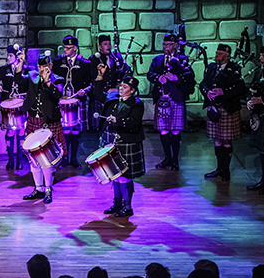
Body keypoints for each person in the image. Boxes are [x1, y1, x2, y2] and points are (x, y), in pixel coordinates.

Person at [21, 51, 65, 204]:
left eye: (45, 67)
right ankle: (38, 188)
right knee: (34, 158)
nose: (42, 70)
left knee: (47, 159)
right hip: (34, 121)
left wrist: (48, 82)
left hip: (49, 122)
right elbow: (20, 81)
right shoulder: (33, 76)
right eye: (40, 67)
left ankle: (48, 189)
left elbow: (59, 95)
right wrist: (20, 64)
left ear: (51, 66)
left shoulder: (57, 80)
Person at [147, 34, 195, 170]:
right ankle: (167, 158)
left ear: (175, 46)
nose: (166, 47)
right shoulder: (157, 60)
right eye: (164, 44)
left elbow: (190, 76)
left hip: (176, 98)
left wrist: (176, 78)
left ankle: (175, 160)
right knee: (163, 130)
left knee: (174, 131)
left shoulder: (183, 60)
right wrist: (158, 78)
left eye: (169, 45)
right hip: (162, 98)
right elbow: (149, 74)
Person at [99, 77, 145, 217]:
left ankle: (127, 206)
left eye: (125, 87)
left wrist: (117, 120)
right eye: (121, 86)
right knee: (115, 175)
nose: (121, 88)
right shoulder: (115, 101)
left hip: (128, 142)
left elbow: (134, 123)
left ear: (132, 90)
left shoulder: (137, 104)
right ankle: (117, 203)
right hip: (115, 142)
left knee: (125, 176)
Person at [200, 44, 247, 182]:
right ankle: (219, 169)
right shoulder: (211, 68)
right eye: (216, 53)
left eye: (220, 54)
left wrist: (224, 92)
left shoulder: (235, 69)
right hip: (214, 108)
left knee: (226, 140)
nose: (216, 56)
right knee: (217, 140)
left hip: (228, 108)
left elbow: (240, 89)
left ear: (227, 56)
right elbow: (203, 84)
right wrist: (207, 92)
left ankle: (226, 171)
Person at [53, 35, 93, 169]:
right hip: (62, 102)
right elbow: (53, 78)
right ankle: (64, 157)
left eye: (69, 48)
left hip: (77, 101)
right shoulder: (58, 62)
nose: (65, 50)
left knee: (75, 131)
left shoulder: (85, 63)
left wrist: (84, 91)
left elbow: (90, 83)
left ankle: (74, 159)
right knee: (64, 131)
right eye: (64, 47)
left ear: (75, 48)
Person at [0, 44, 30, 170]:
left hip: (21, 104)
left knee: (21, 131)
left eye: (10, 55)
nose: (8, 57)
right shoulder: (4, 69)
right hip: (8, 103)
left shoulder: (27, 70)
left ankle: (20, 160)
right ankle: (11, 160)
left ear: (18, 57)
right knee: (10, 131)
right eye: (8, 55)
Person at [89, 34, 133, 129]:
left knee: (114, 121)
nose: (108, 46)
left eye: (109, 44)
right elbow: (92, 78)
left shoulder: (116, 57)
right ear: (100, 46)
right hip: (100, 94)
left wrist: (121, 84)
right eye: (105, 44)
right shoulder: (94, 59)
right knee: (101, 124)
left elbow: (127, 71)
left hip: (115, 94)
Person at [247, 51, 264, 193]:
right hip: (260, 115)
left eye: (263, 55)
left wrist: (262, 101)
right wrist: (249, 101)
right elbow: (253, 88)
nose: (260, 57)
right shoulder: (259, 71)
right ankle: (263, 181)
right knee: (262, 151)